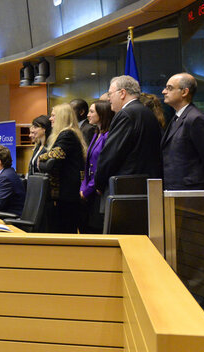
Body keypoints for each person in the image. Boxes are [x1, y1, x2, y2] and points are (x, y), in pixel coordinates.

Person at [95, 75, 163, 193]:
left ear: (122, 93)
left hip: (126, 186)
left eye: (110, 94)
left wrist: (99, 183)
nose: (109, 99)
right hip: (146, 185)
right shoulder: (147, 112)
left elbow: (112, 154)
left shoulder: (125, 114)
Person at [161, 73, 204, 190]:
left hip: (192, 192)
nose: (164, 92)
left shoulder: (196, 119)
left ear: (184, 92)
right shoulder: (176, 118)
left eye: (169, 88)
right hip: (175, 190)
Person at [37, 104, 87, 233]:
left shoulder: (67, 134)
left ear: (62, 117)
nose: (50, 119)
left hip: (67, 193)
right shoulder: (69, 134)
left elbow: (53, 161)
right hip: (67, 193)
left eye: (53, 115)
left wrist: (40, 158)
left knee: (65, 230)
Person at [80, 100, 114, 232]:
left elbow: (101, 166)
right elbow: (88, 164)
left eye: (92, 111)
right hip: (89, 191)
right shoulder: (96, 133)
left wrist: (88, 189)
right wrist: (83, 187)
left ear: (102, 114)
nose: (88, 115)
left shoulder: (107, 136)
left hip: (98, 190)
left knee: (96, 228)